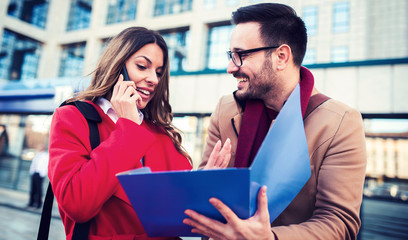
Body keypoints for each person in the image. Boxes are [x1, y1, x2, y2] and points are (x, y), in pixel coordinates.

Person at [183, 3, 367, 240]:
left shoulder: (341, 123)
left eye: (241, 55)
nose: (231, 67)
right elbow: (203, 201)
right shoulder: (225, 109)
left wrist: (269, 238)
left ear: (281, 57)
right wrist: (204, 184)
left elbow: (339, 222)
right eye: (231, 56)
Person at [48, 27, 229, 240]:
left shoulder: (160, 133)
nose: (153, 79)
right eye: (142, 66)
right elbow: (78, 204)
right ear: (117, 66)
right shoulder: (73, 118)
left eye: (159, 72)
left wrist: (203, 186)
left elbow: (179, 209)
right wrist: (128, 127)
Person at [27, 143, 49, 209]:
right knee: (32, 189)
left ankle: (38, 204)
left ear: (43, 148)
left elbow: (46, 165)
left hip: (40, 174)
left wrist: (42, 173)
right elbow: (34, 164)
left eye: (40, 147)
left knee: (38, 190)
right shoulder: (37, 155)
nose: (39, 148)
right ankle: (31, 203)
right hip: (34, 173)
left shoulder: (46, 156)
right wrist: (31, 172)